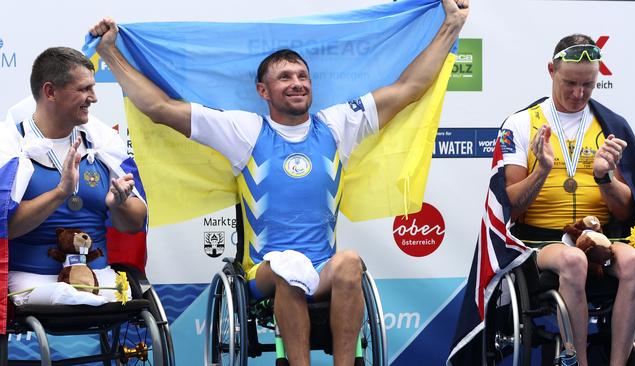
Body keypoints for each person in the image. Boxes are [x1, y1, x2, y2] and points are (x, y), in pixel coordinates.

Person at [90, 0, 468, 364]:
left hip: (322, 268)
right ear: (263, 91)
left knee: (350, 261)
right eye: (285, 77)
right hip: (265, 272)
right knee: (289, 267)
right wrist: (111, 53)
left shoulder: (337, 126)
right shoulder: (245, 131)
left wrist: (451, 24)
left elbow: (408, 88)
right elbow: (159, 108)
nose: (297, 83)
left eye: (303, 76)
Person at [500, 34, 635, 364]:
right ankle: (578, 361)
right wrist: (542, 171)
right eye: (570, 83)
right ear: (551, 70)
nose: (579, 94)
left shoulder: (611, 126)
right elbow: (509, 206)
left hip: (600, 237)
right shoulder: (521, 124)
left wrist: (604, 177)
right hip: (541, 242)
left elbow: (627, 211)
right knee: (573, 260)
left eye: (588, 85)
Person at [3, 47, 147, 305]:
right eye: (83, 89)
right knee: (68, 298)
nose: (93, 97)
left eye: (92, 88)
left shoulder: (103, 145)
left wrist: (119, 204)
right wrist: (60, 193)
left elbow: (134, 225)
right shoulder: (11, 148)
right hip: (33, 280)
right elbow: (6, 227)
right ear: (50, 92)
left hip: (97, 277)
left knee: (121, 301)